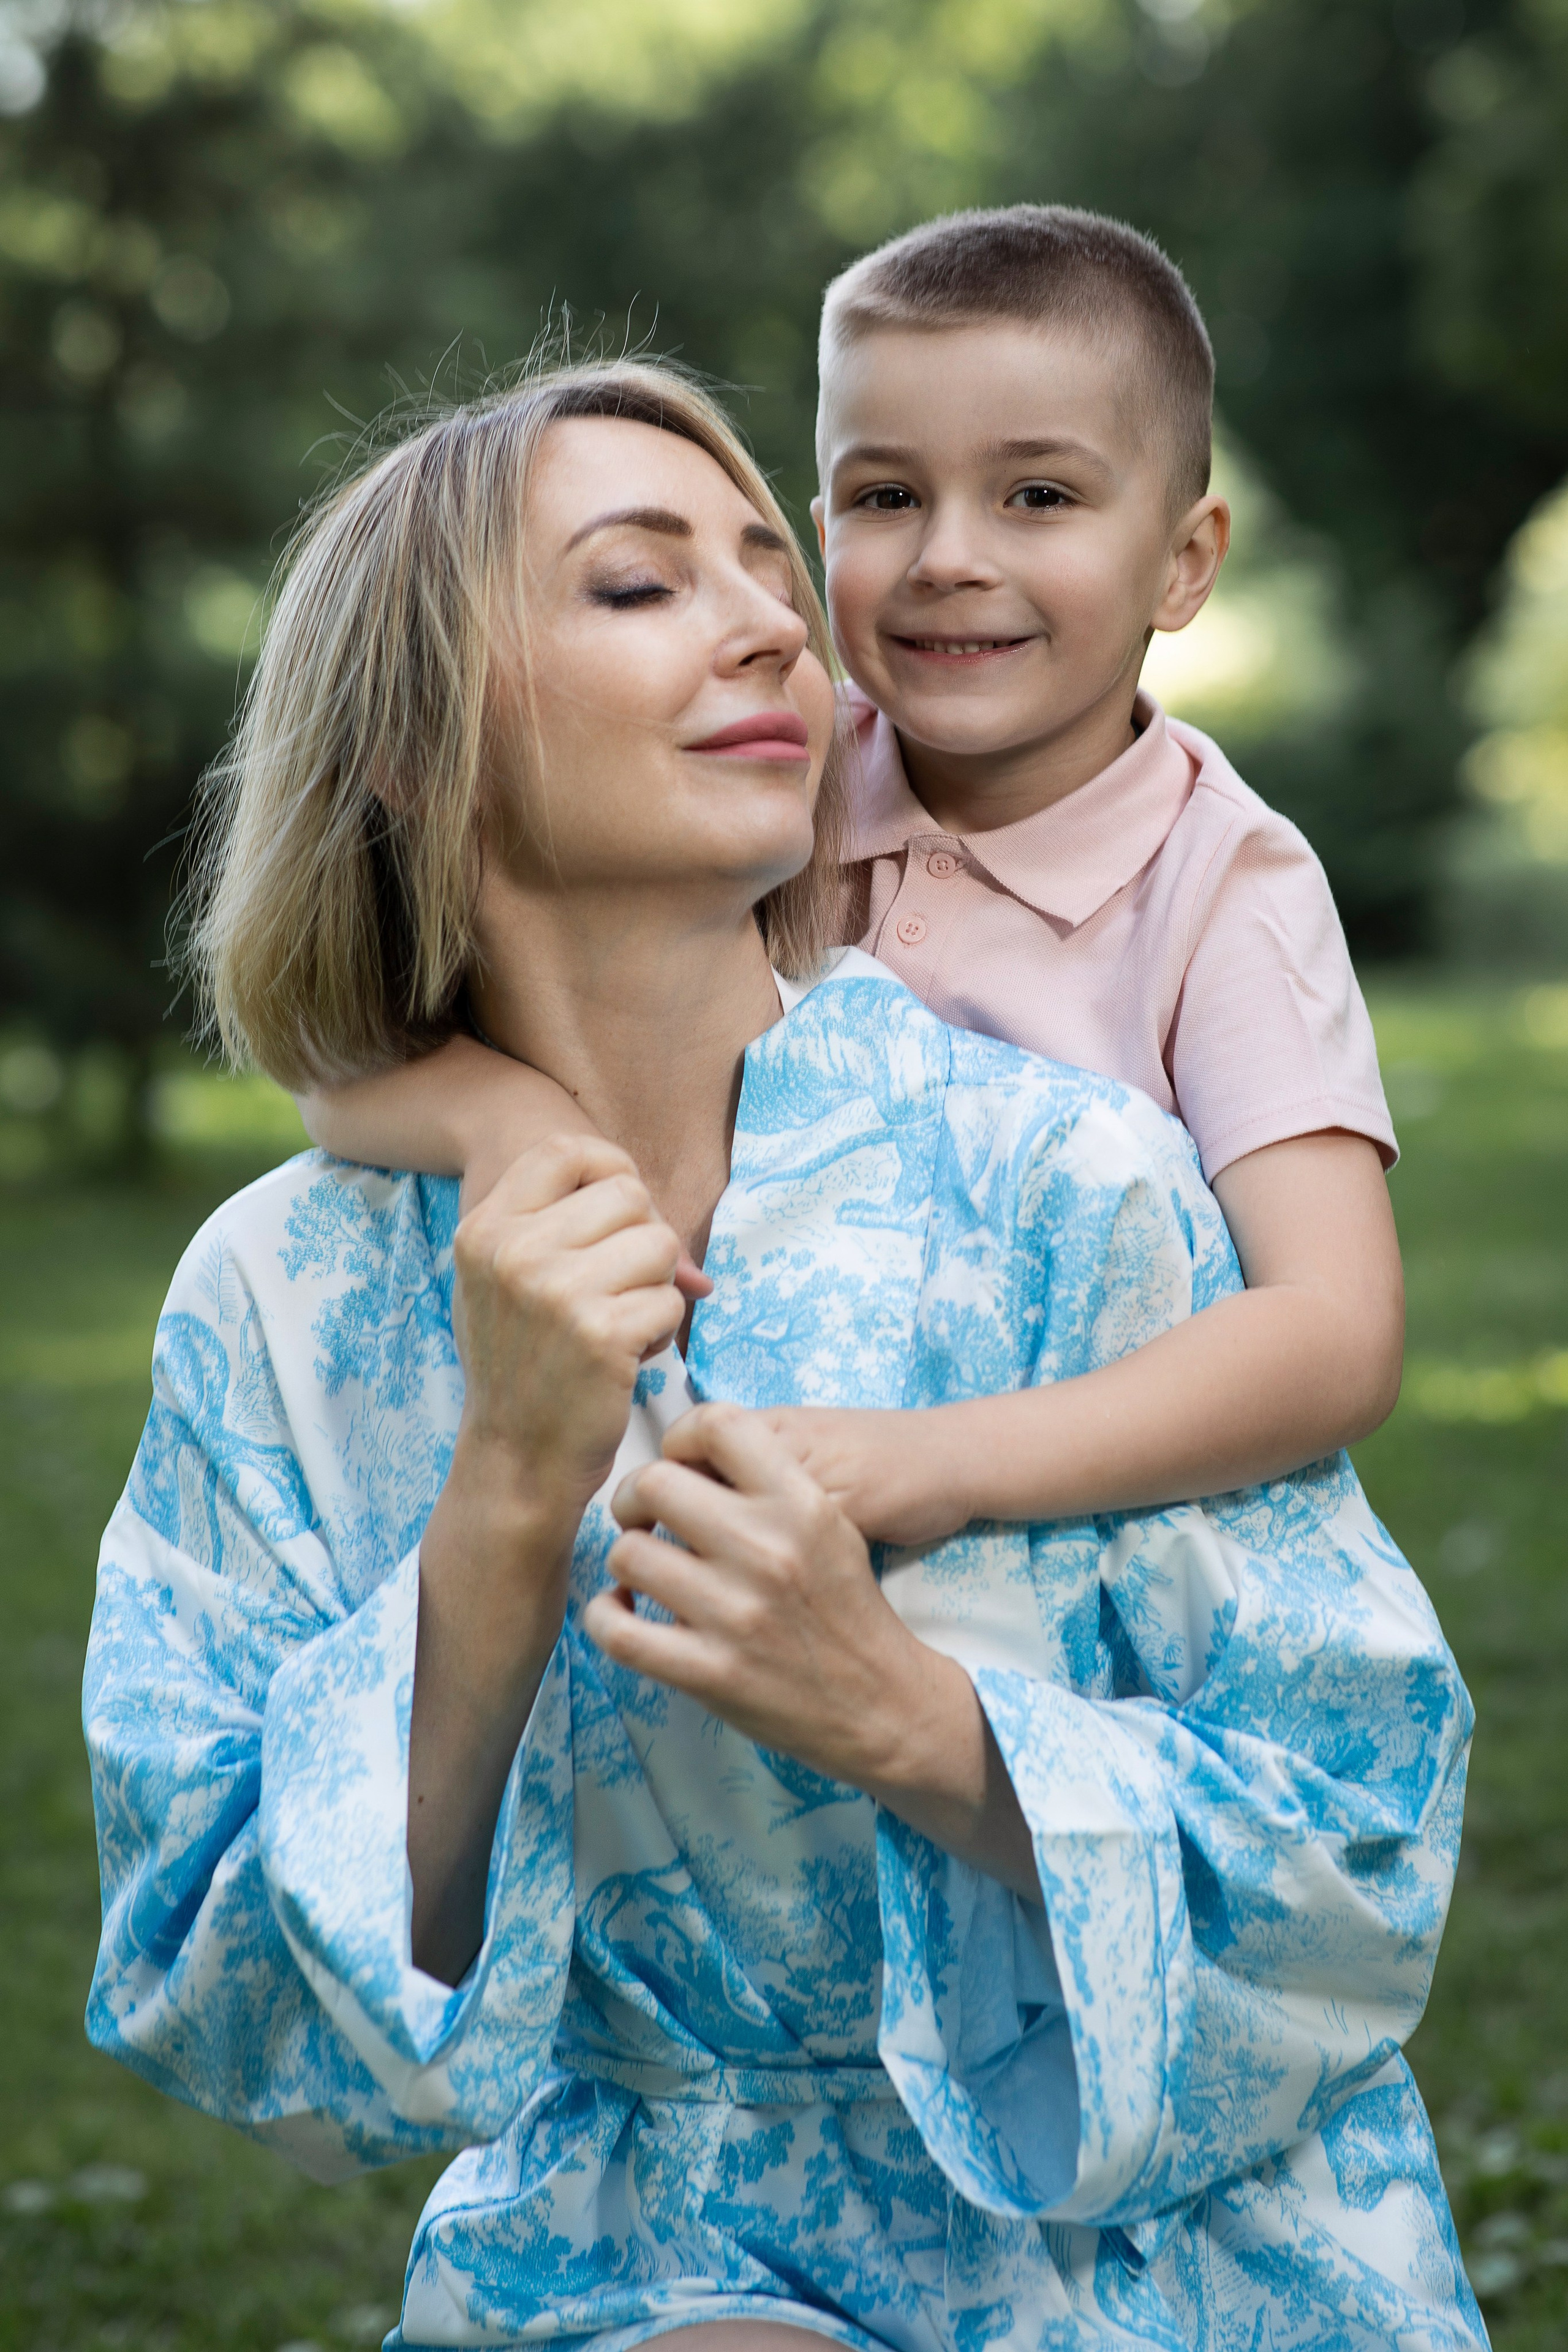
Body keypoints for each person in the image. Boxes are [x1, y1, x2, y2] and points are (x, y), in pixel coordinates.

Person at [84, 363, 1482, 2352]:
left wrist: (911, 1720)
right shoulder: (280, 1304)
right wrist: (497, 1512)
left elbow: (1362, 1841)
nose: (772, 619)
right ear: (408, 743)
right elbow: (220, 1995)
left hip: (1142, 2252)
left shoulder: (1069, 1183)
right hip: (617, 2266)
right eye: (639, 586)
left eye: (767, 560)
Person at [300, 206, 1406, 1558]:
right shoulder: (763, 776)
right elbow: (338, 1065)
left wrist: (944, 1461)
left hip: (1049, 1539)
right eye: (887, 499)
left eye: (1037, 496)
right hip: (724, 1481)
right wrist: (517, 1127)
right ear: (823, 532)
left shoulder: (1218, 882)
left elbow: (1333, 1335)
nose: (947, 555)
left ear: (1180, 562)